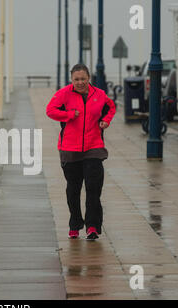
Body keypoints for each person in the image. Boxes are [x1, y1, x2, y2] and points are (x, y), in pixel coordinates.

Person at [46, 64, 116, 240]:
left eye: (83, 79)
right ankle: (75, 224)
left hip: (94, 147)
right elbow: (50, 110)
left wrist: (106, 121)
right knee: (73, 189)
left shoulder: (99, 94)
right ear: (72, 80)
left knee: (93, 188)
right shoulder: (64, 94)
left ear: (88, 78)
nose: (80, 82)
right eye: (76, 79)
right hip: (70, 149)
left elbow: (111, 107)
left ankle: (92, 226)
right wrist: (69, 115)